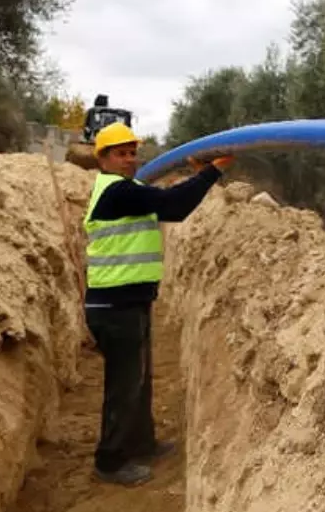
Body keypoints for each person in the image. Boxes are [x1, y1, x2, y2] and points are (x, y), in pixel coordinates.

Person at [83, 121, 232, 486]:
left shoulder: (129, 188)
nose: (129, 159)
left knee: (138, 379)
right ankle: (110, 461)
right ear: (102, 158)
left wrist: (195, 172)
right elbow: (174, 205)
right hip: (114, 308)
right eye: (120, 153)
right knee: (123, 385)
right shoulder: (116, 192)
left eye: (132, 152)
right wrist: (214, 172)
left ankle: (141, 442)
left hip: (129, 302)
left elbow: (166, 195)